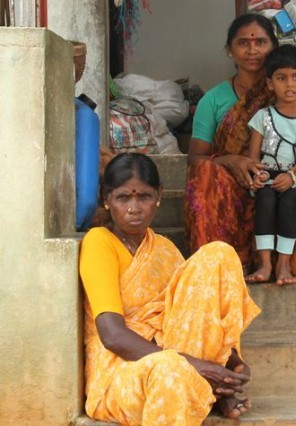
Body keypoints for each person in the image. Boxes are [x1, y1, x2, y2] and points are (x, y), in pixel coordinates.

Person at [79, 153, 261, 425]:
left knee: (218, 254)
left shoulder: (165, 249)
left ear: (159, 196)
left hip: (176, 360)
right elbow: (113, 335)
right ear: (106, 199)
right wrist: (200, 366)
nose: (134, 208)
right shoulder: (99, 242)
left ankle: (213, 384)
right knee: (170, 369)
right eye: (123, 198)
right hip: (124, 374)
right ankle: (207, 386)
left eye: (144, 197)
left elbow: (196, 317)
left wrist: (231, 362)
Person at [185, 13, 296, 274]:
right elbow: (196, 159)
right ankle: (213, 264)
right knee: (204, 173)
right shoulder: (213, 100)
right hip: (231, 187)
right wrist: (233, 161)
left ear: (273, 47)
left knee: (291, 202)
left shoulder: (294, 94)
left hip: (283, 185)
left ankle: (273, 263)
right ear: (229, 50)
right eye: (243, 43)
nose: (252, 50)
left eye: (261, 42)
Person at [245, 45, 296, 285]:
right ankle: (264, 264)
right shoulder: (263, 117)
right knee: (266, 198)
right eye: (281, 78)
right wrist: (258, 176)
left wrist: (291, 178)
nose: (289, 84)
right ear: (270, 84)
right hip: (269, 176)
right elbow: (253, 158)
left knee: (290, 199)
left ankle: (283, 263)